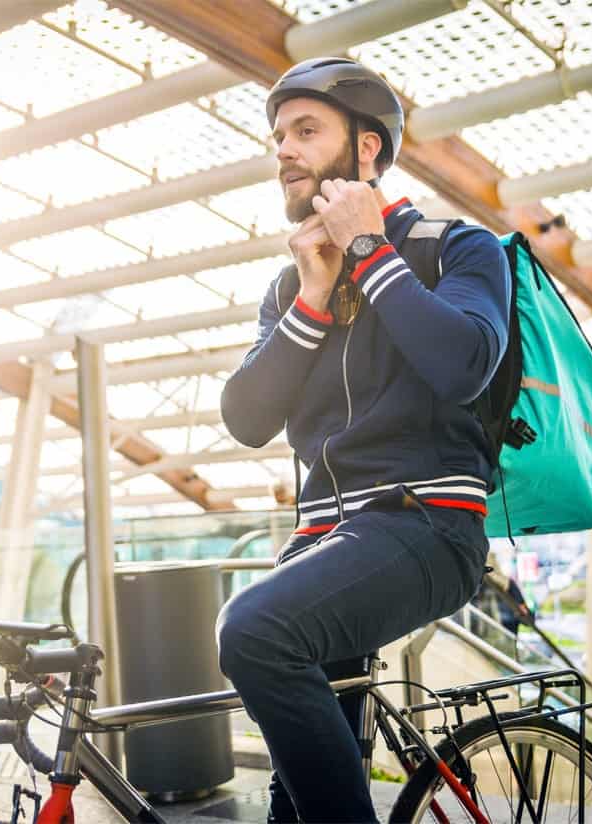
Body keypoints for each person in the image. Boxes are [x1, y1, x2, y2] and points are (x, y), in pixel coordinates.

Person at [216, 57, 511, 823]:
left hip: (428, 526)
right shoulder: (290, 287)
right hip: (325, 546)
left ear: (369, 150)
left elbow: (464, 363)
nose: (283, 147)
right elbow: (247, 419)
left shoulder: (458, 248)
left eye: (306, 131)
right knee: (299, 799)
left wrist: (372, 252)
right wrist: (314, 295)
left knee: (253, 629)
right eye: (278, 134)